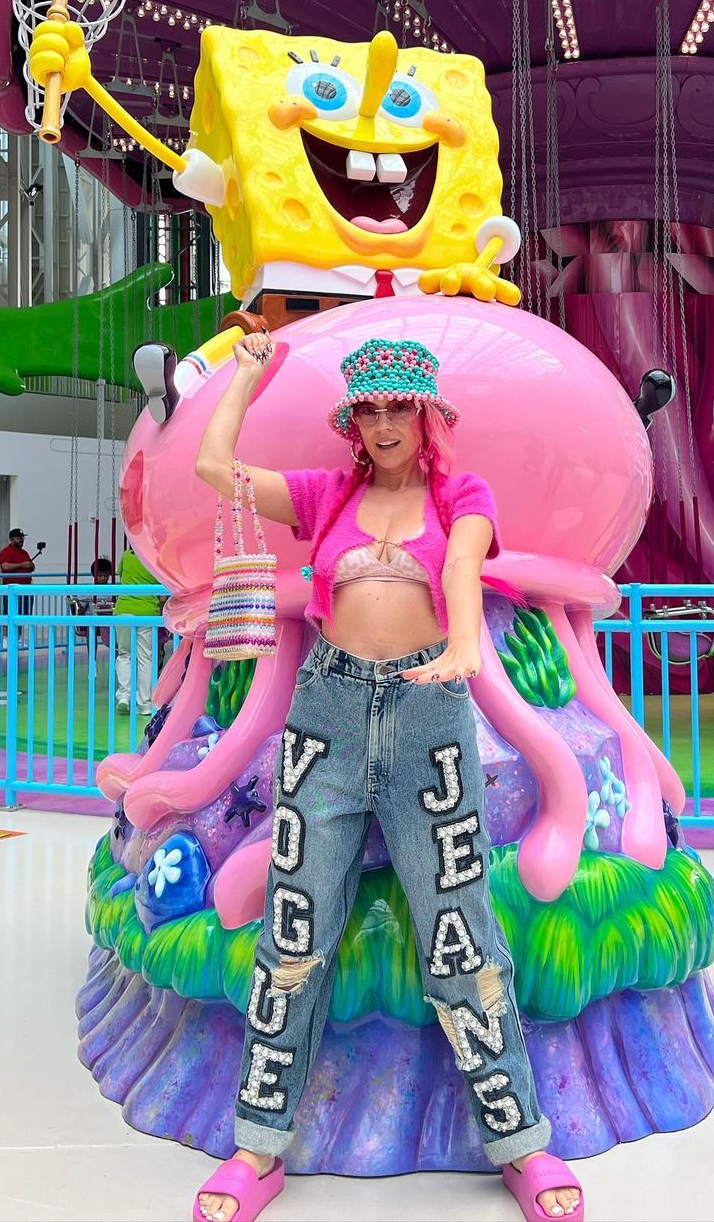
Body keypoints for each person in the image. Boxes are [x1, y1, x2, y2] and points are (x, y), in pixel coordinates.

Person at [191, 333, 583, 1222]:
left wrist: (465, 642)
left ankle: (520, 1141)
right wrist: (244, 377)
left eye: (397, 406)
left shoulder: (461, 494)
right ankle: (257, 1147)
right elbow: (218, 469)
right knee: (294, 932)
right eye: (366, 410)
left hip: (428, 718)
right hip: (326, 717)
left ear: (426, 415)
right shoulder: (327, 495)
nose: (381, 423)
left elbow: (462, 563)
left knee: (462, 938)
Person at [114, 544, 163, 716]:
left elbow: (122, 575)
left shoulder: (126, 556)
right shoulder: (155, 558)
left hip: (124, 609)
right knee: (145, 657)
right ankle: (144, 703)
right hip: (147, 610)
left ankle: (124, 696)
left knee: (124, 654)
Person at [0, 527, 41, 615]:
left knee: (25, 616)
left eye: (22, 538)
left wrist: (31, 566)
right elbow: (5, 566)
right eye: (18, 538)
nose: (21, 540)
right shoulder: (6, 552)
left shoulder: (24, 553)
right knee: (11, 615)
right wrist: (22, 565)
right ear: (11, 539)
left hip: (26, 590)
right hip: (12, 591)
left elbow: (31, 567)